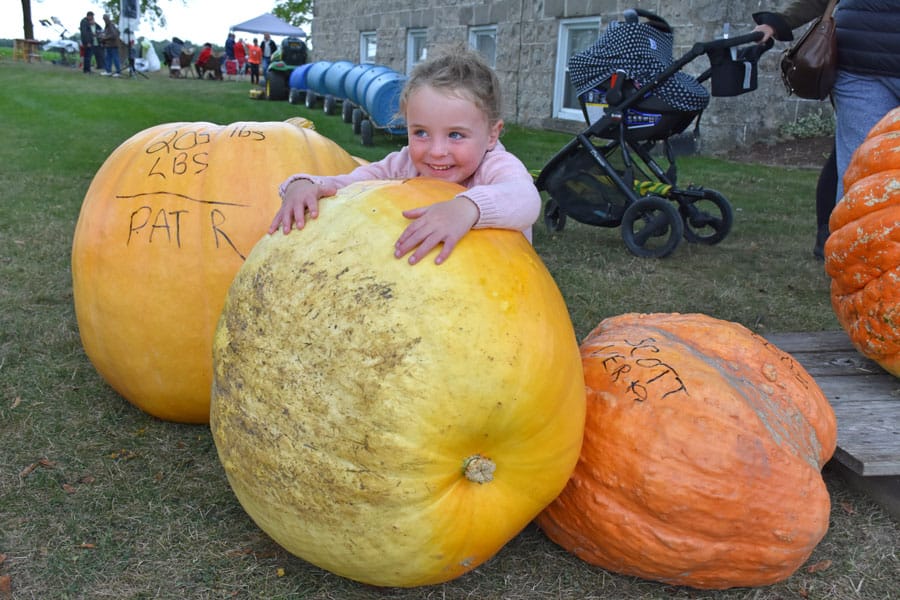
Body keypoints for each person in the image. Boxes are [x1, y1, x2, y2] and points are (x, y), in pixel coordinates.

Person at [269, 49, 541, 266]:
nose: (436, 151)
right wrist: (306, 183)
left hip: (498, 290)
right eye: (421, 132)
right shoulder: (403, 165)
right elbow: (355, 182)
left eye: (456, 135)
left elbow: (526, 198)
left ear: (492, 135)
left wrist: (468, 208)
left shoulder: (495, 166)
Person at [753, 1, 900, 258]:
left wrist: (779, 22)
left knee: (860, 169)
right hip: (859, 66)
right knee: (860, 170)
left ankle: (855, 264)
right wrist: (780, 22)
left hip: (857, 60)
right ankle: (858, 266)